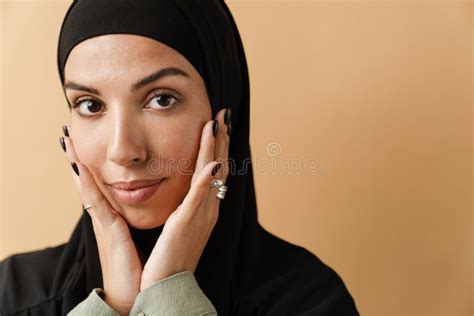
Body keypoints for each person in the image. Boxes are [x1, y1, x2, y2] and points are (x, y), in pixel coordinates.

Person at [0, 0, 360, 315]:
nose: (123, 151)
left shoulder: (309, 301)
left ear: (223, 111)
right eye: (90, 105)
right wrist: (114, 306)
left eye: (162, 99)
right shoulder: (13, 295)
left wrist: (169, 295)